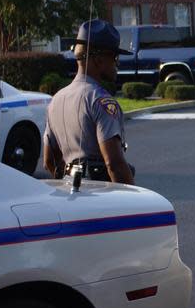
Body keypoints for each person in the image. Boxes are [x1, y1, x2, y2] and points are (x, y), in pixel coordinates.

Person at [43, 19, 134, 184]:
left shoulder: (55, 101)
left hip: (72, 196)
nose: (117, 63)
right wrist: (136, 202)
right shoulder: (102, 101)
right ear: (99, 60)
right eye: (114, 57)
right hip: (101, 198)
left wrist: (71, 185)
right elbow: (114, 164)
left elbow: (49, 162)